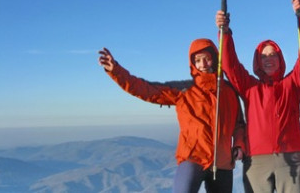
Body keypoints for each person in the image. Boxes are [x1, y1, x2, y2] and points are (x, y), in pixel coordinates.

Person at [97, 38, 245, 193]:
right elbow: (146, 90)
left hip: (222, 162)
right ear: (193, 63)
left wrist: (239, 145)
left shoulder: (229, 91)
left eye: (207, 59)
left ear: (214, 59)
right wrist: (116, 72)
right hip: (193, 158)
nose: (203, 64)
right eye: (198, 60)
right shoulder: (184, 90)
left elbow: (239, 124)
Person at [215, 0, 300, 193]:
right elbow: (230, 65)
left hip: (292, 158)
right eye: (263, 55)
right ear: (257, 61)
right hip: (257, 160)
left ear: (280, 58)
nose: (268, 58)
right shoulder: (249, 87)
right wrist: (224, 32)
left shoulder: (292, 84)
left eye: (273, 54)